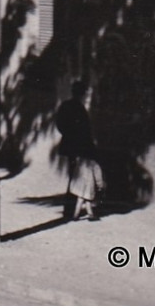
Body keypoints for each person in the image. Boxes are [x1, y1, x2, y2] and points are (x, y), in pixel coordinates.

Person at [55, 80, 102, 221]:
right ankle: (72, 210)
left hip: (71, 146)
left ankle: (71, 210)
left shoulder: (66, 106)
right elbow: (84, 131)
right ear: (81, 93)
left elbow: (60, 124)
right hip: (79, 147)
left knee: (74, 177)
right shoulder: (78, 108)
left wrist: (68, 136)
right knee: (77, 177)